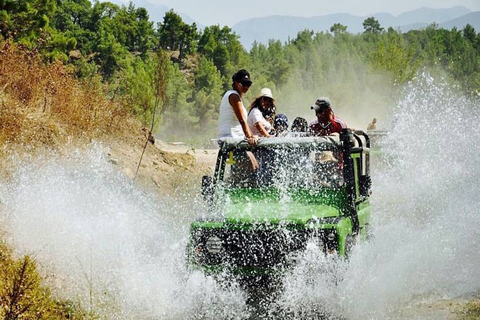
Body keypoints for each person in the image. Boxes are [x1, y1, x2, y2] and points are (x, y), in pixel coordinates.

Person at [217, 69, 258, 146]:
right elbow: (242, 120)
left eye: (248, 84)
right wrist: (250, 137)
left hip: (231, 138)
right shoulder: (234, 96)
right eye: (243, 83)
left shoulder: (231, 95)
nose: (245, 86)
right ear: (236, 82)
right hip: (232, 139)